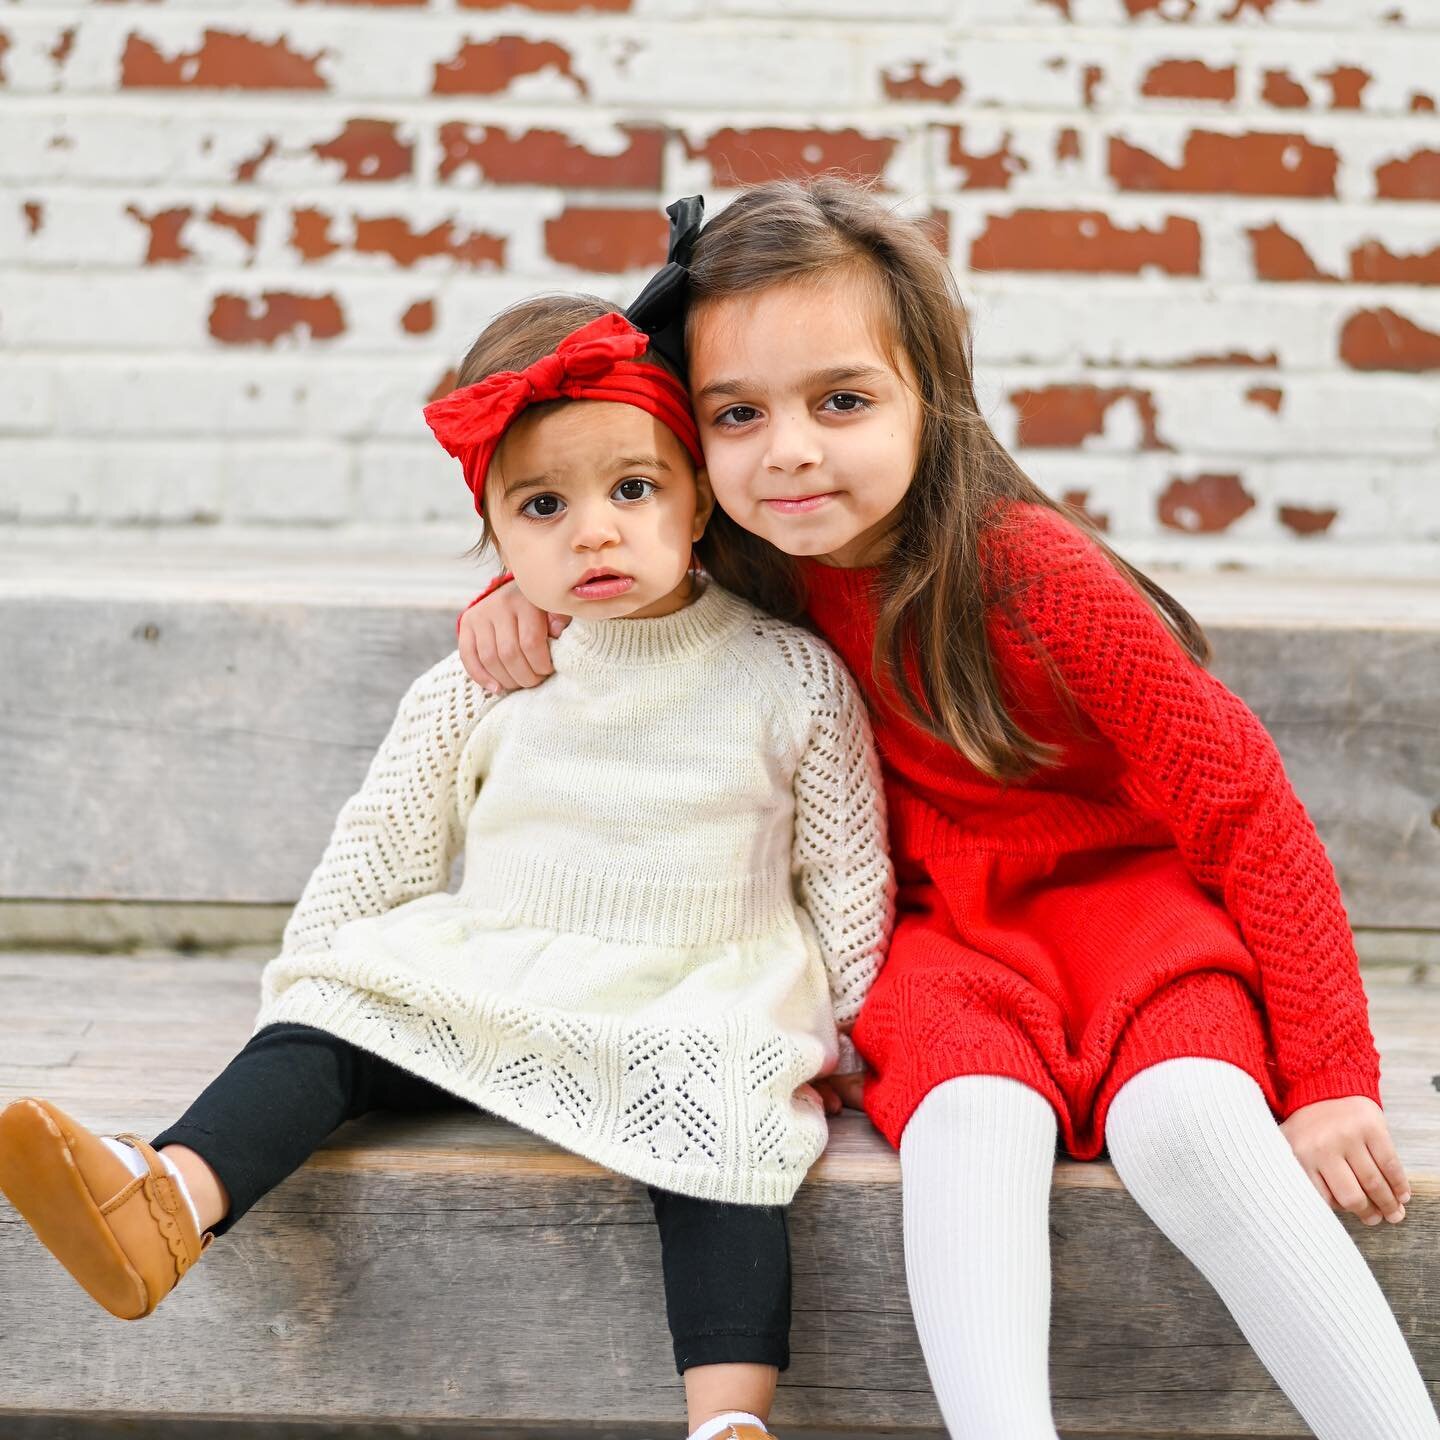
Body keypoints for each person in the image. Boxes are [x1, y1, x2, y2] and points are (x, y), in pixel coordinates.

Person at [455, 181, 1440, 1440]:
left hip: (1136, 924)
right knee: (974, 1125)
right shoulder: (748, 563)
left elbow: (1247, 810)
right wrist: (514, 593)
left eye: (843, 402)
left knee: (1191, 1121)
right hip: (932, 944)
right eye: (737, 415)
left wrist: (1332, 1078)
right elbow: (591, 518)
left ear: (932, 397)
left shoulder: (1029, 569)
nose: (791, 449)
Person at [0, 294, 894, 1440]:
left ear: (700, 501)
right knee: (335, 1021)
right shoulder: (490, 675)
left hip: (695, 997)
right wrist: (313, 986)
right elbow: (385, 843)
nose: (596, 532)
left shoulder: (785, 677)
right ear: (497, 536)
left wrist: (857, 1039)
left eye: (633, 489)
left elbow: (846, 870)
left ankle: (729, 1421)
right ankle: (169, 1198)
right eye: (543, 505)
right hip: (496, 977)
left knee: (727, 1137)